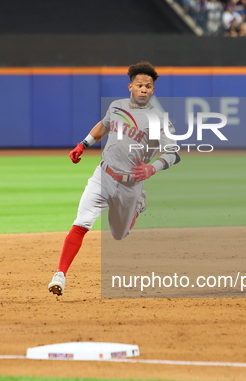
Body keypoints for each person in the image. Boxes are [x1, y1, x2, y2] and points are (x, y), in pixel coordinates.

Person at [48, 62, 180, 296]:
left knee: (119, 234)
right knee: (81, 223)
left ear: (152, 90)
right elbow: (104, 126)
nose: (144, 89)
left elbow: (174, 152)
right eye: (140, 85)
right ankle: (60, 274)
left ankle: (138, 204)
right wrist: (83, 144)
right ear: (130, 86)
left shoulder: (159, 119)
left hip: (131, 184)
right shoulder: (117, 106)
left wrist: (152, 169)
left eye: (148, 86)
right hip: (103, 175)